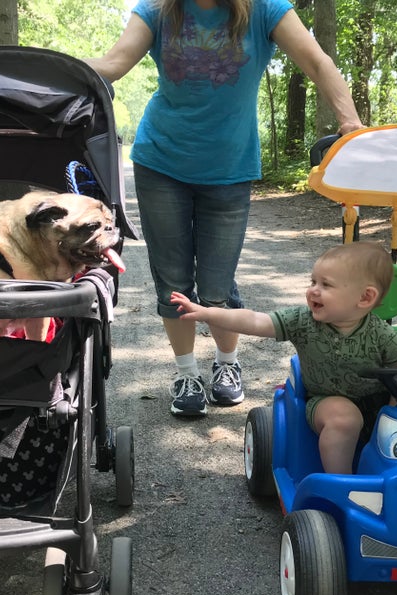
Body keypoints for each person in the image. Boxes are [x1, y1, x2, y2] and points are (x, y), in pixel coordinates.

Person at [85, 0, 365, 417]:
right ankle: (186, 373)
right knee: (174, 281)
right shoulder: (158, 10)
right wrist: (41, 71)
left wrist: (351, 125)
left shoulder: (266, 10)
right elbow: (114, 61)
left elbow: (316, 60)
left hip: (230, 170)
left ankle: (227, 366)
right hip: (161, 162)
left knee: (218, 284)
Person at [170, 241, 397, 474]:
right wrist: (207, 313)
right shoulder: (302, 322)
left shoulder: (385, 337)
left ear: (365, 298)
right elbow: (255, 320)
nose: (313, 291)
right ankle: (342, 488)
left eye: (325, 285)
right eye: (313, 281)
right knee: (344, 416)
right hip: (325, 402)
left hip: (381, 404)